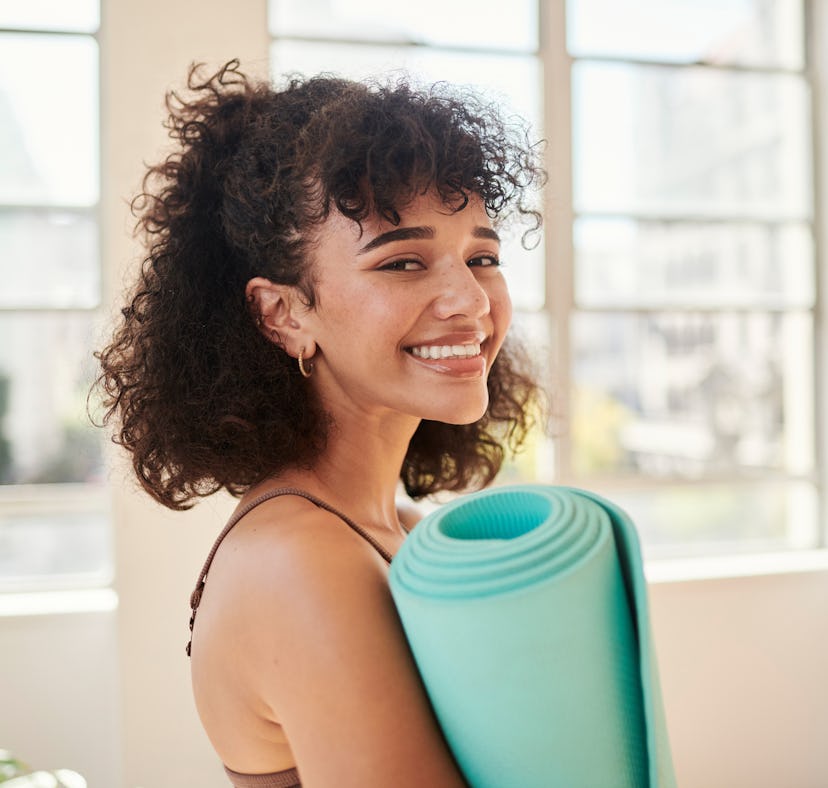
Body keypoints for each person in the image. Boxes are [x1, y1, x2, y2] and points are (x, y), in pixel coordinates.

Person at [95, 59, 545, 788]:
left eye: (482, 255)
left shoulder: (397, 527)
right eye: (404, 263)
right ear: (284, 312)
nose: (471, 300)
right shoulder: (299, 562)